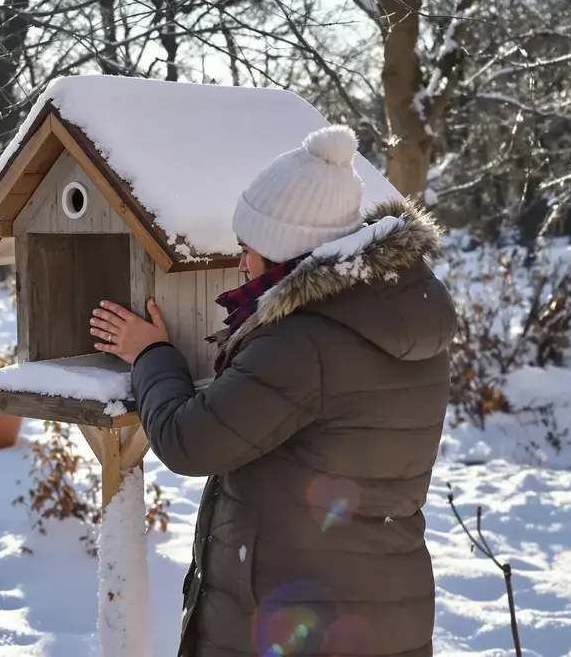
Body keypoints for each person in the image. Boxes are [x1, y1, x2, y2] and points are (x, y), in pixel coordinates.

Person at [88, 124, 456, 657]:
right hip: (382, 606)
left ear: (285, 251)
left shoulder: (301, 342)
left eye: (248, 249)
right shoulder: (398, 311)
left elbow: (189, 441)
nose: (240, 263)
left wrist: (151, 354)